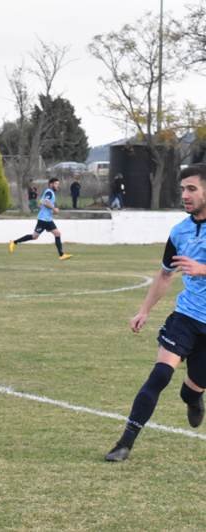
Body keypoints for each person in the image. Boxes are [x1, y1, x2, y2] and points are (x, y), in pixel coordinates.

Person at [104, 164, 206, 462]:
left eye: (192, 189)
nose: (185, 195)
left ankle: (193, 397)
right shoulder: (180, 231)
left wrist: (203, 269)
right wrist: (144, 310)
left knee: (192, 389)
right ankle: (124, 443)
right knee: (160, 374)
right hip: (186, 317)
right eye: (182, 189)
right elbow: (164, 276)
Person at [8, 177, 72, 260]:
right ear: (51, 184)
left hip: (47, 219)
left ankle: (62, 255)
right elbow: (45, 202)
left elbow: (42, 203)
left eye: (58, 184)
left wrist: (52, 211)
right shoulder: (49, 192)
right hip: (43, 219)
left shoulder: (49, 192)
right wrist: (54, 208)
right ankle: (14, 242)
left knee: (56, 234)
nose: (57, 186)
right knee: (35, 236)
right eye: (56, 184)